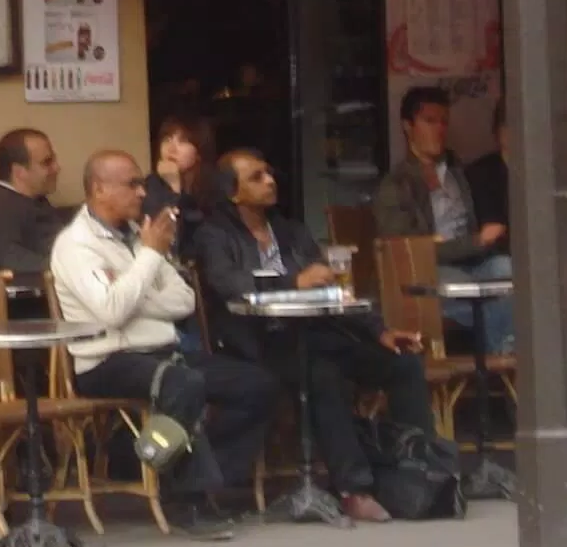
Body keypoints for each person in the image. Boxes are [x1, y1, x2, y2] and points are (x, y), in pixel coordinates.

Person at [199, 149, 435, 524]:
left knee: (402, 363)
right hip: (260, 345)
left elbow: (332, 288)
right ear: (232, 192)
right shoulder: (214, 234)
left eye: (269, 173)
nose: (270, 181)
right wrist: (293, 281)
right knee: (322, 374)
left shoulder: (291, 231)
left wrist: (380, 330)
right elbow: (228, 283)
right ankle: (353, 489)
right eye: (257, 177)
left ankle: (425, 472)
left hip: (314, 330)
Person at [50, 149, 273, 541]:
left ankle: (206, 474)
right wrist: (150, 260)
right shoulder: (76, 245)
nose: (142, 192)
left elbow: (183, 300)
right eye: (132, 184)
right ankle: (188, 500)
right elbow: (113, 311)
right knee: (183, 384)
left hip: (164, 350)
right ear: (99, 189)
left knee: (258, 385)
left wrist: (137, 284)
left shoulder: (139, 235)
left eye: (141, 183)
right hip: (107, 360)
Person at [374, 87, 514, 353]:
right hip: (429, 269)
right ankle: (504, 363)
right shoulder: (396, 185)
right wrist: (476, 241)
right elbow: (409, 250)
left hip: (474, 261)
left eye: (443, 122)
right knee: (466, 287)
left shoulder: (458, 172)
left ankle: (510, 360)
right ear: (408, 126)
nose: (439, 129)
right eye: (429, 121)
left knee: (505, 270)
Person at [0, 128, 68, 276]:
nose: (57, 168)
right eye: (47, 162)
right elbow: (16, 263)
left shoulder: (36, 200)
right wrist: (76, 264)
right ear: (19, 172)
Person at [145, 112, 216, 242]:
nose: (171, 148)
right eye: (167, 139)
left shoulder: (214, 187)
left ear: (200, 151)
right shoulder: (152, 185)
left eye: (182, 141)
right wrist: (174, 188)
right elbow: (168, 238)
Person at [466, 124, 511, 253]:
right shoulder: (481, 172)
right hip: (497, 251)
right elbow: (492, 229)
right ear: (498, 132)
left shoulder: (542, 170)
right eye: (508, 125)